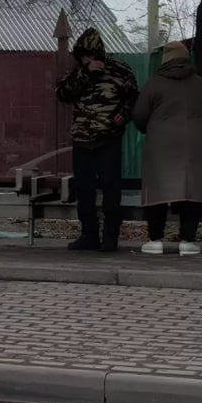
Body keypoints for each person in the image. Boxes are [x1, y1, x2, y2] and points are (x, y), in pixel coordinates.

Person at [55, 28, 139, 252]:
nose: (85, 59)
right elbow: (63, 94)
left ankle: (110, 237)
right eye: (82, 56)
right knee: (84, 190)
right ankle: (88, 235)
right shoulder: (77, 72)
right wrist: (85, 72)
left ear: (97, 54)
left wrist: (125, 113)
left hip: (109, 139)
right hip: (82, 140)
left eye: (88, 55)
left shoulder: (120, 70)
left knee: (112, 190)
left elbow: (134, 98)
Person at [132, 41, 202, 256]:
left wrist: (149, 129)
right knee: (191, 190)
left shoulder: (154, 84)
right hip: (195, 145)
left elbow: (139, 115)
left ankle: (155, 240)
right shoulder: (200, 84)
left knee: (158, 191)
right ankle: (187, 241)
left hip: (161, 145)